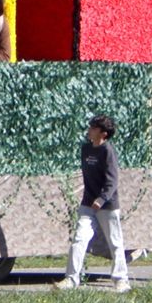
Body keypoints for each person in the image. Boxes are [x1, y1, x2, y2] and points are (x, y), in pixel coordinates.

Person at [54, 115, 130, 292]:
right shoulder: (86, 149)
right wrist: (91, 199)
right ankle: (71, 279)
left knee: (115, 242)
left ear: (103, 134)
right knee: (79, 239)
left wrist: (102, 199)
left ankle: (121, 280)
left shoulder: (108, 151)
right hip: (88, 204)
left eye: (94, 128)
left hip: (107, 205)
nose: (89, 130)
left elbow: (112, 181)